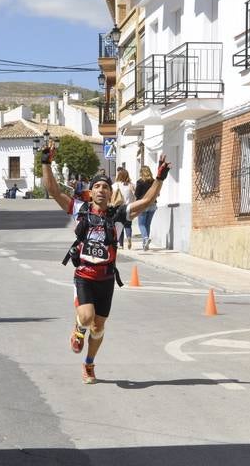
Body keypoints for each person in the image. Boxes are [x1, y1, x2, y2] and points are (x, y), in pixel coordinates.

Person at [42, 142, 171, 384]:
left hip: (106, 279)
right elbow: (53, 191)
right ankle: (79, 328)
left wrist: (160, 178)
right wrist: (46, 163)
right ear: (90, 193)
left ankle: (89, 364)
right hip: (84, 276)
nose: (101, 190)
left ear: (110, 193)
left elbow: (146, 202)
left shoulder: (118, 214)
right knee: (88, 316)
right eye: (97, 186)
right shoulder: (80, 210)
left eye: (105, 187)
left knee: (99, 328)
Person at [111, 168, 136, 249]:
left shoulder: (116, 185)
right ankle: (129, 238)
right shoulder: (131, 185)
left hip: (119, 207)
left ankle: (120, 244)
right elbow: (135, 196)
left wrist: (112, 204)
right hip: (129, 207)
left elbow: (113, 196)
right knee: (128, 225)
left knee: (118, 224)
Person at [135, 165, 157, 251]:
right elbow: (157, 192)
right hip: (153, 204)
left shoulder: (140, 182)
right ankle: (145, 244)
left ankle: (145, 238)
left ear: (141, 173)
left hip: (143, 204)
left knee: (141, 224)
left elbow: (137, 194)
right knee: (147, 224)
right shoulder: (154, 182)